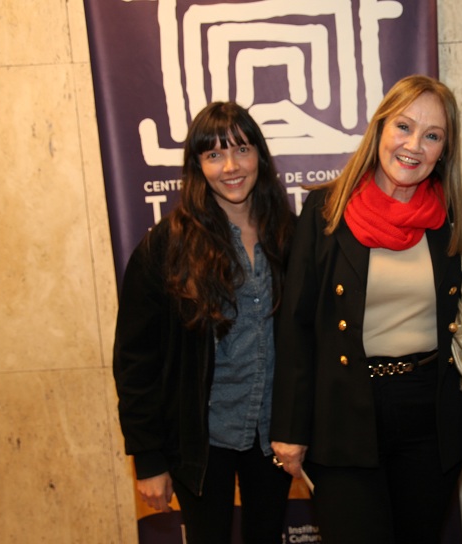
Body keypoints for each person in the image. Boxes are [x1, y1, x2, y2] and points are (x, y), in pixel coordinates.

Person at [269, 74, 462, 544]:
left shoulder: (458, 215)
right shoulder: (326, 210)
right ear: (380, 128)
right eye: (404, 127)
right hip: (342, 412)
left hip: (430, 413)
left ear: (445, 149)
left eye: (432, 135)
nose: (414, 146)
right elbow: (297, 328)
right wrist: (288, 428)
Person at [113, 101, 296, 543]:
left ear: (260, 156)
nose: (231, 167)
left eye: (242, 149)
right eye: (214, 154)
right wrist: (149, 458)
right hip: (201, 438)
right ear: (197, 166)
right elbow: (136, 361)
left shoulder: (290, 235)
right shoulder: (167, 246)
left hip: (274, 434)